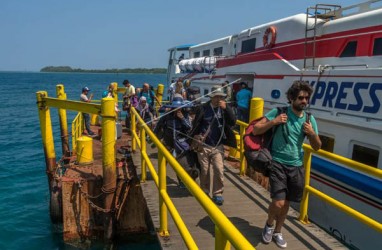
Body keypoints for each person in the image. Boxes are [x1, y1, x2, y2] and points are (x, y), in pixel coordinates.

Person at [253, 81, 322, 248]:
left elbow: (317, 147)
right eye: (300, 98)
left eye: (306, 98)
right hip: (277, 162)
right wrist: (274, 122)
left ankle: (278, 231)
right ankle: (269, 225)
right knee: (278, 202)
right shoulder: (279, 112)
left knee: (288, 203)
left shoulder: (309, 119)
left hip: (296, 166)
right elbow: (256, 129)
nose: (304, 101)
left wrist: (312, 134)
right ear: (291, 98)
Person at [190, 86, 236, 205]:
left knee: (219, 169)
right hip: (203, 144)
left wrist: (227, 109)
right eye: (216, 97)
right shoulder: (203, 108)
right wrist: (194, 137)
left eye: (221, 97)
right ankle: (205, 190)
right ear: (211, 97)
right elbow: (196, 124)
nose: (218, 99)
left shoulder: (224, 109)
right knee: (204, 170)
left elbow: (233, 122)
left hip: (218, 145)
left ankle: (218, 193)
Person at [154, 95, 198, 187]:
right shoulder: (167, 115)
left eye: (179, 107)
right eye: (175, 107)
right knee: (163, 159)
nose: (177, 109)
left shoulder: (185, 115)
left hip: (180, 142)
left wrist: (182, 118)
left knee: (180, 162)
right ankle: (161, 176)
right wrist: (154, 137)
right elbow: (159, 125)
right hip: (168, 140)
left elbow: (189, 128)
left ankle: (181, 181)